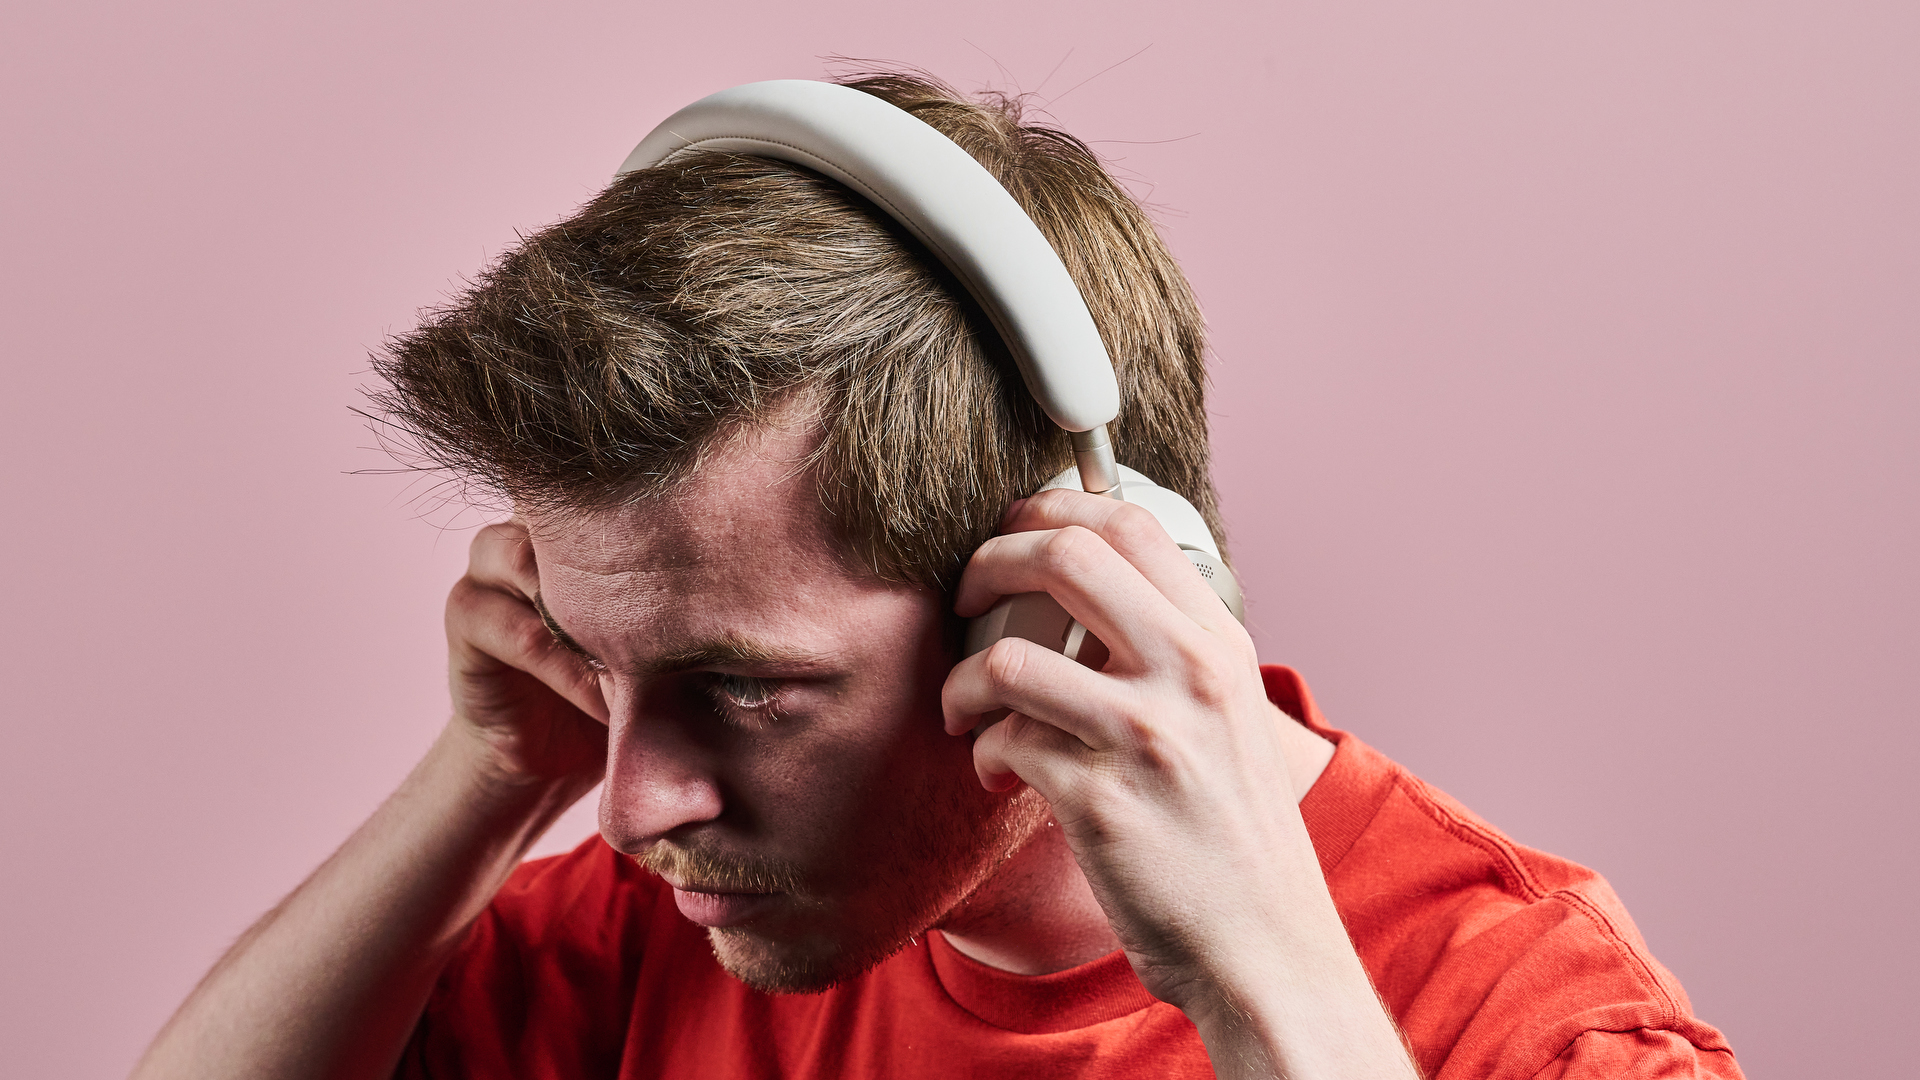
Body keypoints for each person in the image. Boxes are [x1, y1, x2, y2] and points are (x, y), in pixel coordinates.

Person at [132, 72, 1744, 1080]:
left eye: (746, 687)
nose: (631, 808)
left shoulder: (1532, 1022)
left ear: (1052, 611)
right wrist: (483, 774)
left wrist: (1260, 987)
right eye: (595, 664)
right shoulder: (674, 927)